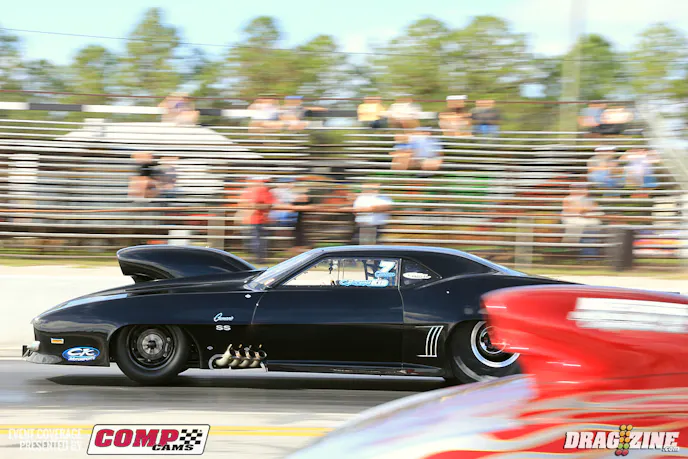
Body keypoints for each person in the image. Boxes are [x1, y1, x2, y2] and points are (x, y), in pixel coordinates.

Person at [241, 176, 276, 263]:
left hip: (258, 220)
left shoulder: (262, 191)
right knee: (258, 240)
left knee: (258, 240)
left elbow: (268, 204)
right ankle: (259, 258)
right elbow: (265, 204)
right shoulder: (262, 191)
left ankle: (258, 258)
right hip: (257, 220)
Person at [561, 183, 602, 247]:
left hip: (587, 218)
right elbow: (569, 210)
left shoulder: (589, 199)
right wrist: (584, 210)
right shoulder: (568, 198)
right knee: (581, 224)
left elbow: (595, 208)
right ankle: (571, 243)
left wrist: (587, 210)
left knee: (594, 223)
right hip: (573, 218)